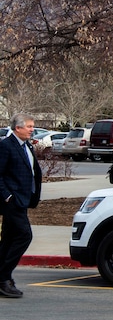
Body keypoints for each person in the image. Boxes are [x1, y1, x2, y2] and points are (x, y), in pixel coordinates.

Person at [0, 113, 43, 298]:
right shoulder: (6, 146)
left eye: (32, 126)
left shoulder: (27, 146)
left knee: (8, 239)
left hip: (23, 200)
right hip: (12, 201)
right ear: (18, 128)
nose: (32, 129)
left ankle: (4, 278)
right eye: (29, 126)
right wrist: (7, 196)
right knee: (24, 235)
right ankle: (3, 277)